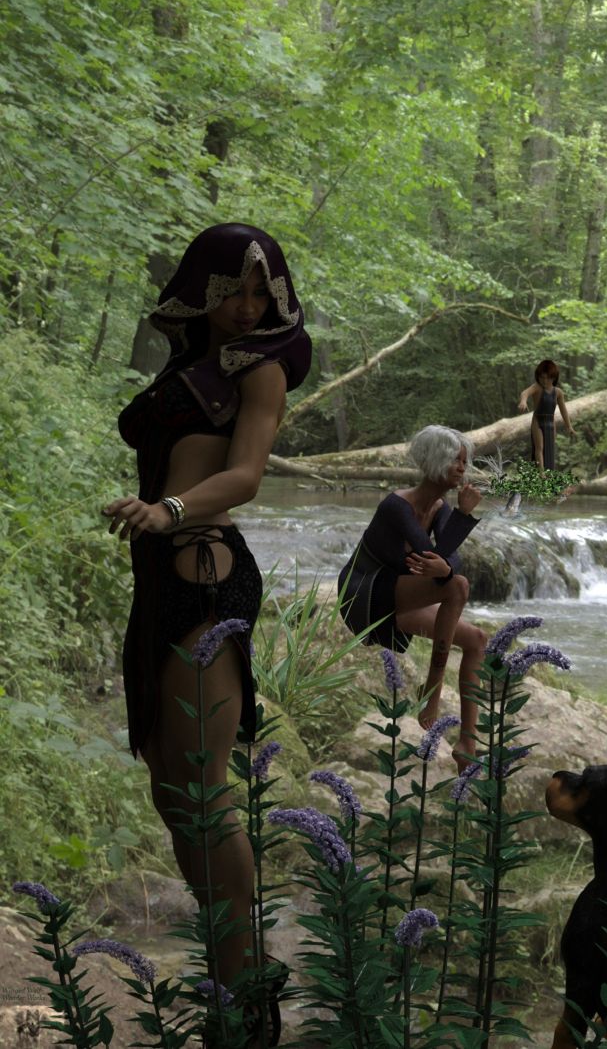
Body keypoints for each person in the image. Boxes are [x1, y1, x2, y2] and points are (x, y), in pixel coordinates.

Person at [103, 223, 311, 1006]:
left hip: (205, 570)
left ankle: (245, 986)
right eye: (234, 290)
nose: (249, 306)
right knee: (170, 786)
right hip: (159, 573)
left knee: (203, 787)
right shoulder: (192, 363)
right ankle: (227, 962)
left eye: (261, 291)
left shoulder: (262, 370)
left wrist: (169, 508)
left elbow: (247, 474)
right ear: (205, 289)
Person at [338, 425, 486, 771]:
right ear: (436, 461)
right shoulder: (396, 506)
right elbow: (428, 557)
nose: (463, 468)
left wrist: (447, 562)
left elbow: (447, 559)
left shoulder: (439, 506)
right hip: (363, 594)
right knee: (458, 586)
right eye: (456, 460)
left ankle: (467, 743)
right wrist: (463, 519)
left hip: (397, 594)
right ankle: (432, 691)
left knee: (478, 640)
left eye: (465, 461)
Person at [517, 358, 576, 469]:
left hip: (550, 423)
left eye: (548, 378)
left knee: (549, 449)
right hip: (537, 421)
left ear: (553, 377)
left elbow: (563, 410)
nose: (544, 381)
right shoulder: (537, 387)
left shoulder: (558, 392)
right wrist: (523, 401)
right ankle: (541, 474)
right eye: (542, 378)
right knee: (539, 447)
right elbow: (525, 393)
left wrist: (569, 426)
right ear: (538, 376)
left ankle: (549, 472)